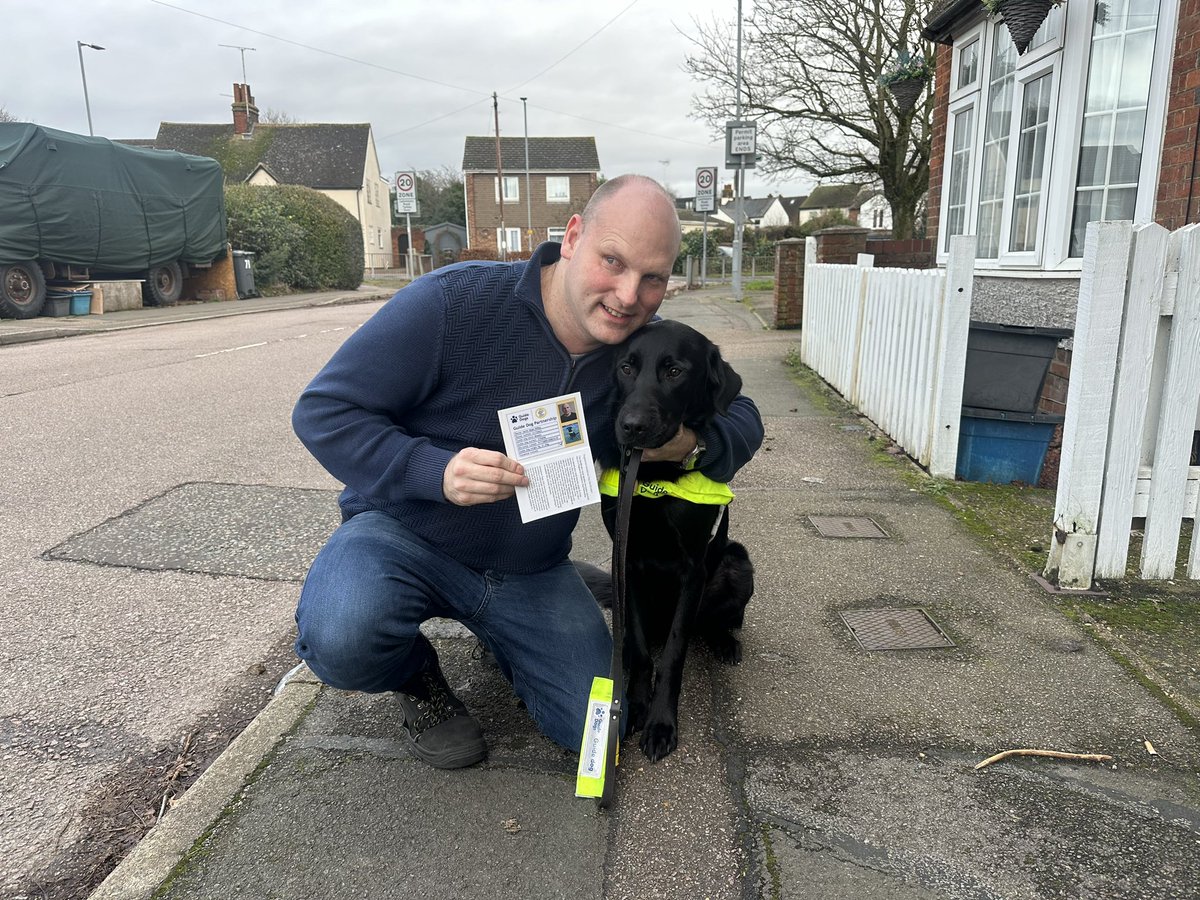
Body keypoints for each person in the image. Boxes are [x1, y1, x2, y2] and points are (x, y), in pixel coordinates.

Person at [292, 174, 763, 769]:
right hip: (404, 536)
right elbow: (323, 410)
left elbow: (742, 411)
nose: (626, 294)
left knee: (601, 736)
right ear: (572, 237)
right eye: (611, 260)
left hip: (527, 569)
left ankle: (513, 629)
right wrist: (432, 470)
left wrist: (690, 445)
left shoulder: (631, 348)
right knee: (343, 631)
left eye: (652, 277)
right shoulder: (452, 303)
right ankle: (417, 682)